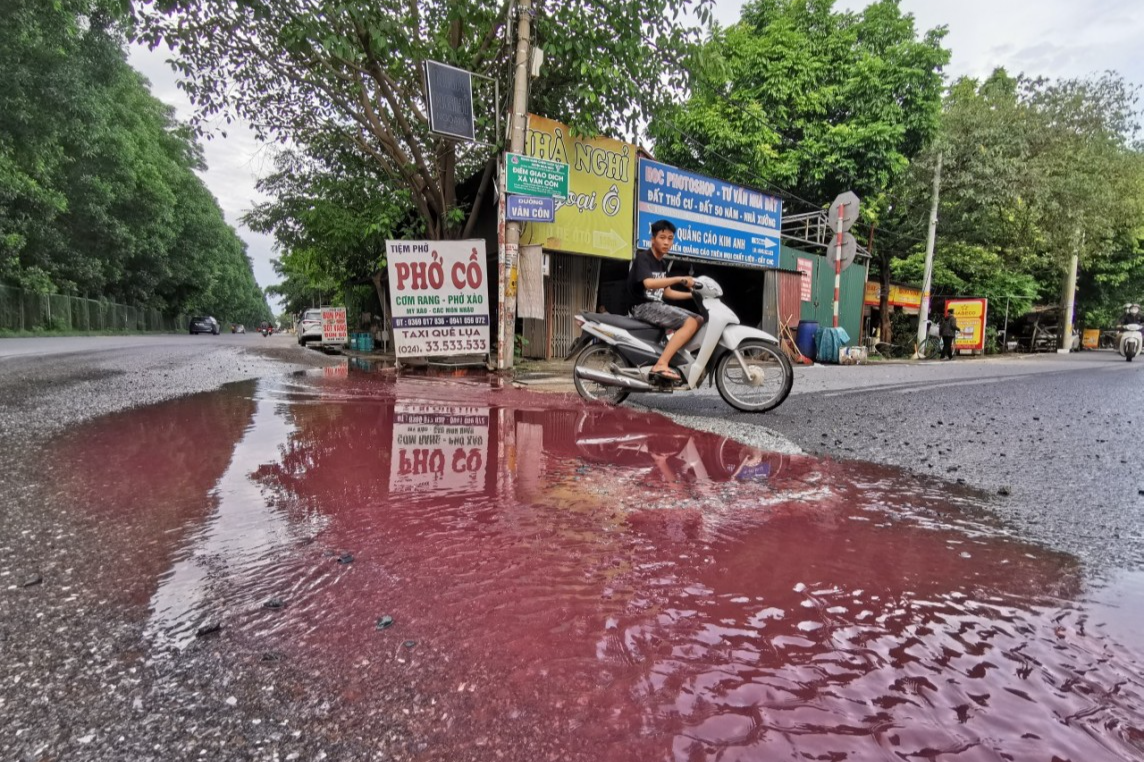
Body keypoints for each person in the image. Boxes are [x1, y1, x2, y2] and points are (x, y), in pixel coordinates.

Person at [627, 219, 704, 383]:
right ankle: (661, 363)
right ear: (653, 239)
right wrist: (679, 278)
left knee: (699, 319)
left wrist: (693, 296)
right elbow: (649, 283)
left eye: (670, 238)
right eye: (662, 237)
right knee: (689, 322)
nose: (666, 242)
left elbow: (667, 293)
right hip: (641, 306)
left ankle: (677, 359)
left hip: (657, 305)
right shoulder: (644, 258)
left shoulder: (661, 264)